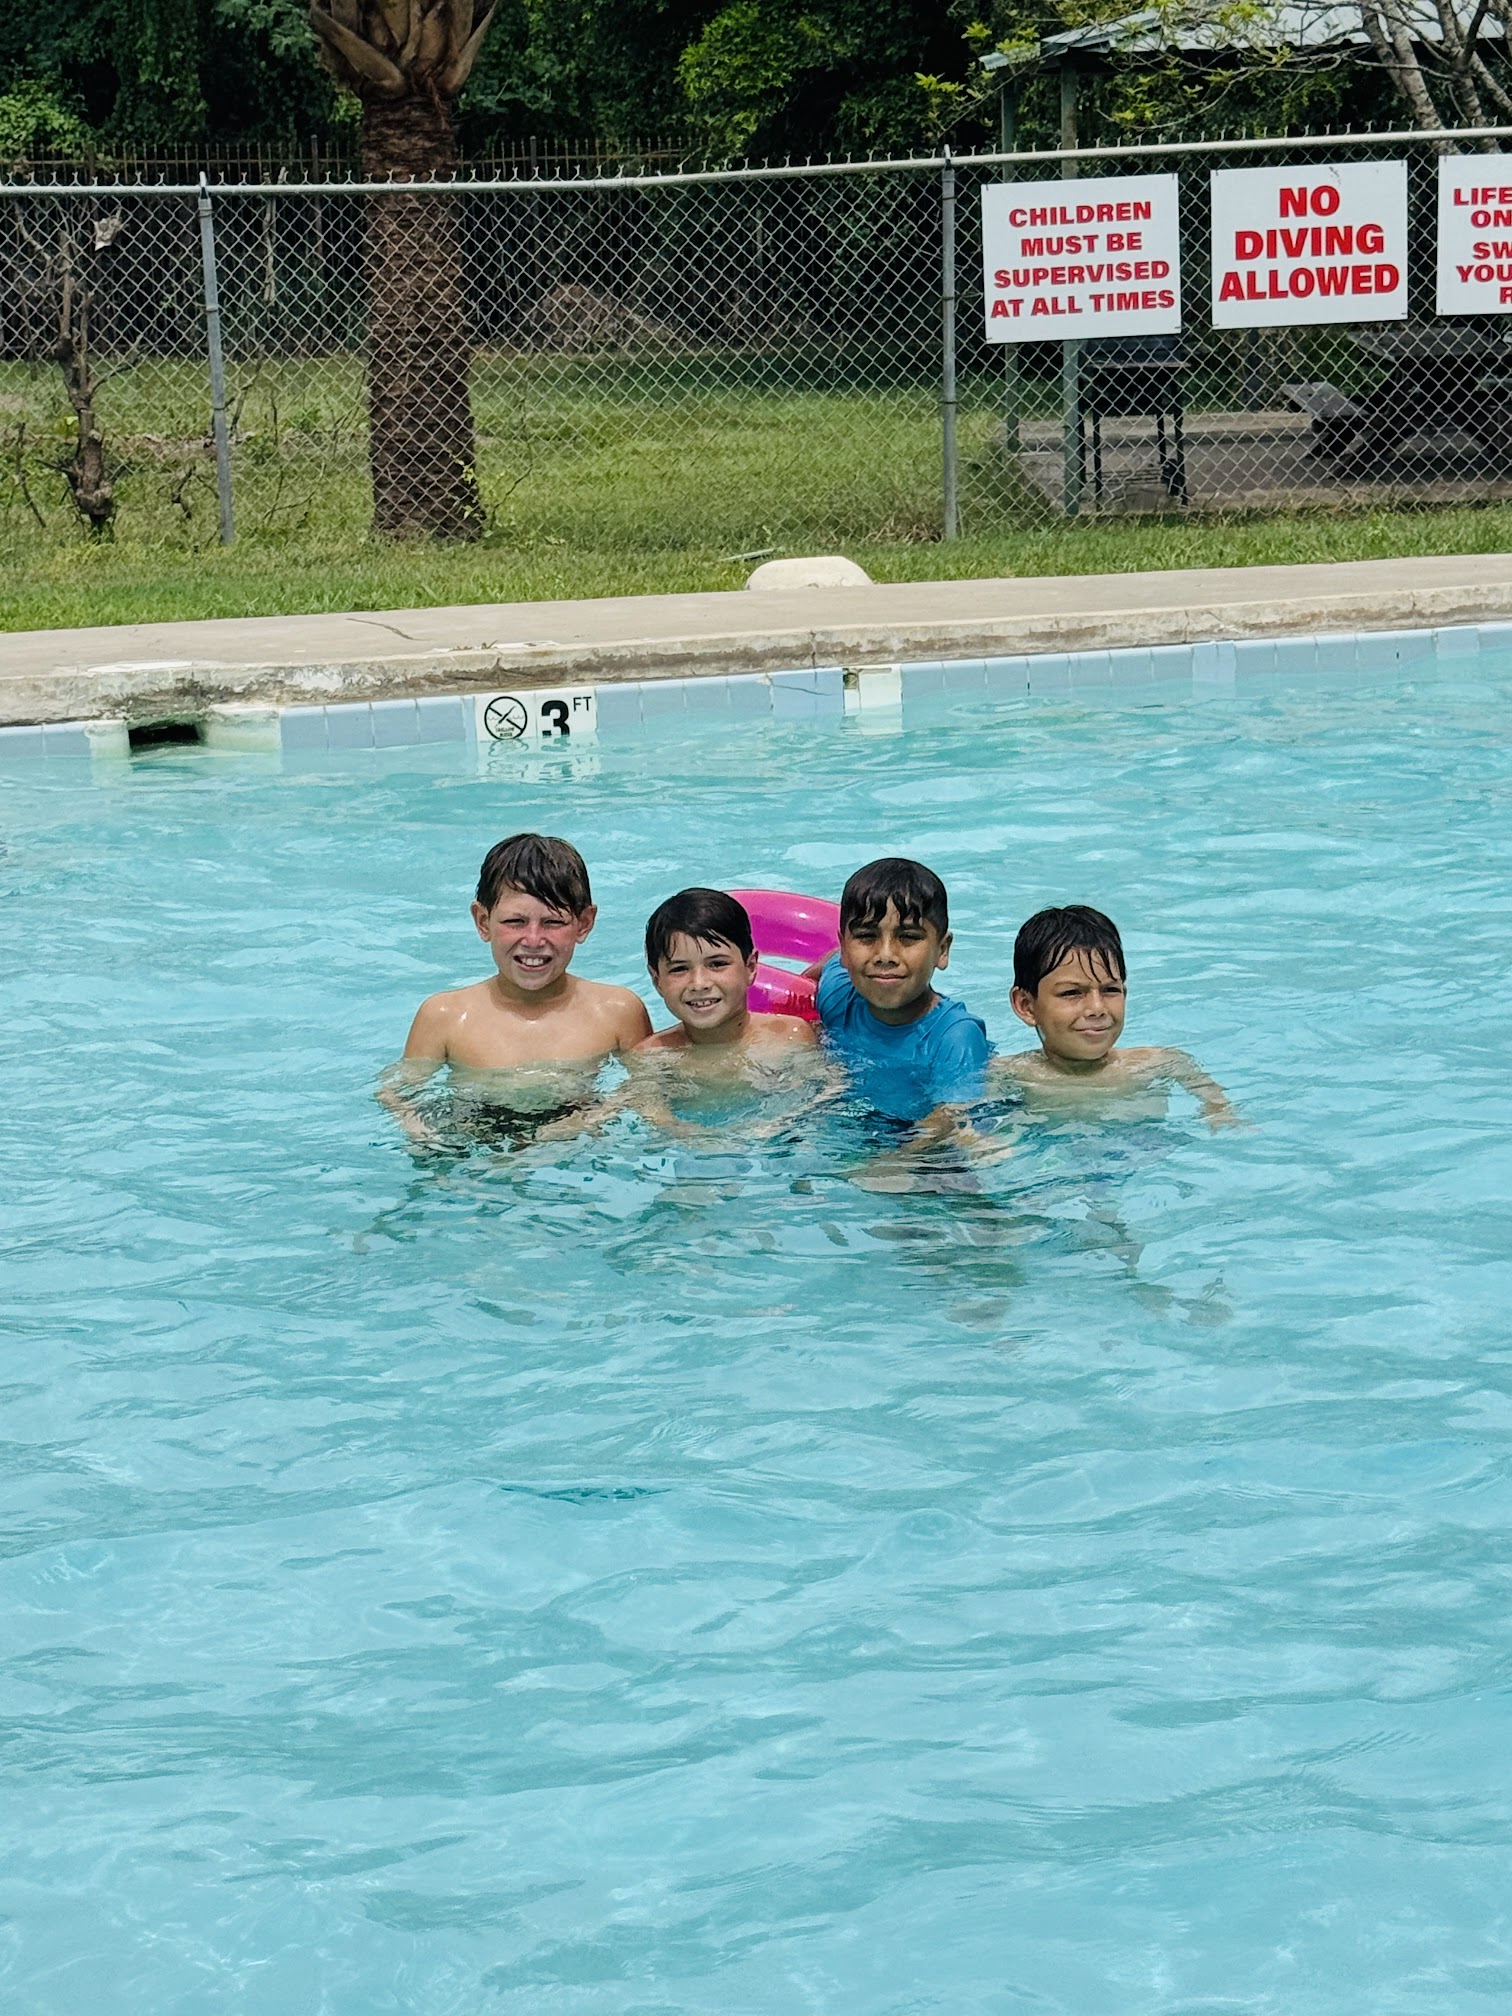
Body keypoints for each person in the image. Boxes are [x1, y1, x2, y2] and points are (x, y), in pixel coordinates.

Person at [380, 832, 650, 1145]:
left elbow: (648, 1089)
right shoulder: (445, 1016)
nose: (533, 940)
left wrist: (591, 1119)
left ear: (584, 923)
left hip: (574, 1139)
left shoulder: (617, 1012)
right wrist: (426, 1135)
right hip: (477, 1141)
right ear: (483, 921)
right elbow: (397, 1095)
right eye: (515, 922)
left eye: (553, 922)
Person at [997, 904, 1238, 1127]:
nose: (1097, 1008)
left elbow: (1220, 1108)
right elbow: (972, 1125)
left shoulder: (1161, 1064)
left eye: (1110, 990)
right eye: (1072, 993)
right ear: (1026, 1006)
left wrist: (1220, 1113)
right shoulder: (1010, 1076)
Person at [812, 857, 991, 1141]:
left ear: (942, 950)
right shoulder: (837, 994)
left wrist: (886, 1164)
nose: (885, 955)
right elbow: (829, 965)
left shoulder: (955, 1036)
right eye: (866, 936)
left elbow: (952, 1120)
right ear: (845, 948)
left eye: (908, 937)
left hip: (926, 1143)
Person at [639, 888, 817, 1060]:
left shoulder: (790, 1039)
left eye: (717, 964)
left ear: (750, 967)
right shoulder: (653, 1059)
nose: (699, 983)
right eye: (679, 969)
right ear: (657, 980)